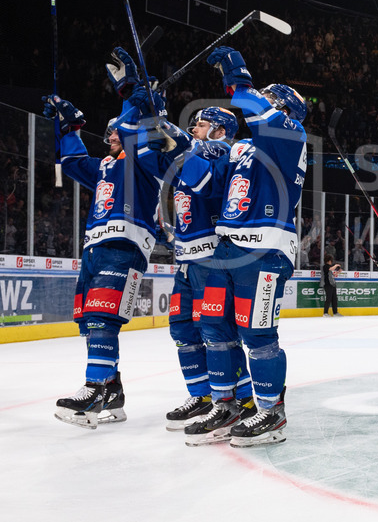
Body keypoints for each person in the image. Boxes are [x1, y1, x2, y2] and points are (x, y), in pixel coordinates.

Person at [176, 46, 307, 446]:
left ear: (282, 108)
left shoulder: (289, 135)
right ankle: (226, 404)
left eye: (268, 97)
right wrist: (173, 141)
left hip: (266, 251)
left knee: (258, 334)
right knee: (215, 329)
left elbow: (254, 109)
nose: (260, 101)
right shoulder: (243, 148)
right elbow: (204, 176)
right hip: (226, 251)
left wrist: (238, 80)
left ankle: (271, 411)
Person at [45, 48, 164, 429]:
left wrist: (133, 92)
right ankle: (112, 390)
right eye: (111, 128)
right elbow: (75, 164)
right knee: (89, 320)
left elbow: (144, 122)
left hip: (125, 247)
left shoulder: (145, 161)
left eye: (118, 128)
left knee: (101, 317)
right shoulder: (107, 166)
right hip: (95, 250)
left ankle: (94, 388)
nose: (112, 133)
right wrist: (70, 129)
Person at [164, 107, 256, 433]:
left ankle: (241, 399)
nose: (194, 129)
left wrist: (178, 141)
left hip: (211, 258)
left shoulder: (225, 156)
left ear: (219, 130)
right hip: (186, 260)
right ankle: (201, 396)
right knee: (182, 330)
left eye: (201, 124)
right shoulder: (192, 154)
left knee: (218, 331)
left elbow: (207, 184)